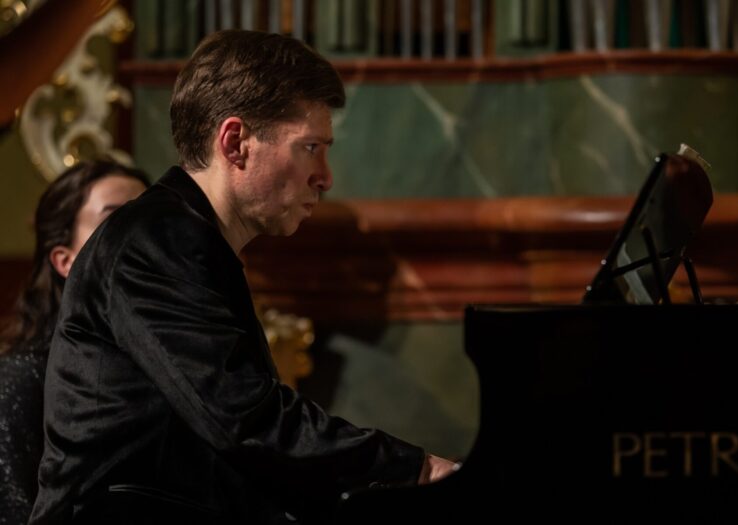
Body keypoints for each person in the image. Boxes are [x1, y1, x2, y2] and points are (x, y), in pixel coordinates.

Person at [30, 30, 456, 525]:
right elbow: (243, 421)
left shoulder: (188, 240)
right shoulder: (154, 242)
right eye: (310, 147)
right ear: (235, 143)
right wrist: (414, 469)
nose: (325, 176)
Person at [0, 160, 148, 525]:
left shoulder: (172, 364)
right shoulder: (20, 379)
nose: (144, 237)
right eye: (115, 220)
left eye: (149, 220)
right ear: (64, 260)